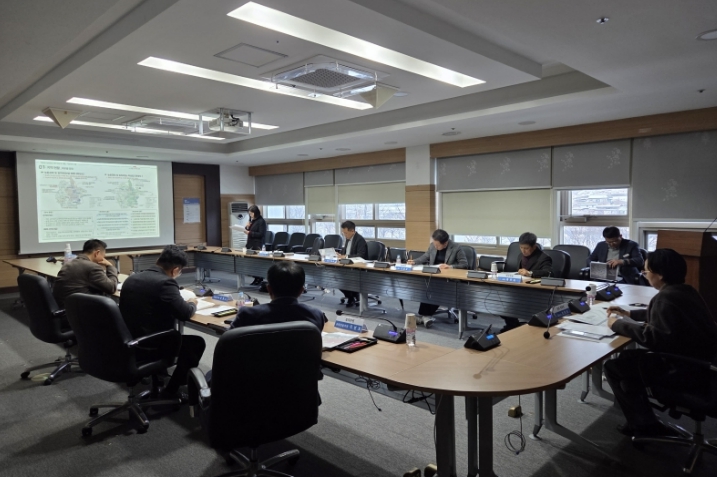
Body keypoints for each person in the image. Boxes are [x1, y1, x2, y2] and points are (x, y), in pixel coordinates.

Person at [604, 248, 717, 437]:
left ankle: (644, 426)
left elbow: (654, 339)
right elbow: (667, 315)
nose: (645, 275)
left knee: (614, 367)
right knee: (626, 357)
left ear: (661, 274)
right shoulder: (686, 291)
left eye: (646, 271)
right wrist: (629, 313)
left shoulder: (664, 298)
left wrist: (617, 324)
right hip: (703, 363)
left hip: (684, 371)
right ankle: (642, 419)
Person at [119, 245, 206, 400]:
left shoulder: (132, 278)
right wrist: (193, 302)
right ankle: (171, 391)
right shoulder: (165, 283)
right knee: (196, 343)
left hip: (128, 341)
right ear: (175, 270)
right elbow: (185, 313)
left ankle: (159, 375)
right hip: (150, 345)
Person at [407, 229, 468, 324]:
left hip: (448, 279)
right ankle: (425, 316)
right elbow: (426, 256)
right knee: (426, 286)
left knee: (434, 288)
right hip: (434, 275)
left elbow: (464, 264)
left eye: (437, 245)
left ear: (445, 243)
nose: (435, 246)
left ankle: (424, 316)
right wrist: (415, 261)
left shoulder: (456, 248)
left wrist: (450, 266)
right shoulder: (433, 245)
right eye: (434, 244)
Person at [52, 239, 119, 308]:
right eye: (103, 257)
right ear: (97, 253)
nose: (103, 259)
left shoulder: (68, 264)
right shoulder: (93, 267)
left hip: (64, 307)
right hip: (78, 310)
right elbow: (111, 288)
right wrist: (110, 266)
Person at [338, 221, 368, 307]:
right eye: (343, 233)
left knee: (342, 279)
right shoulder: (348, 239)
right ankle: (351, 296)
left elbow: (361, 255)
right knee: (335, 278)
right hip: (347, 266)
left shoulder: (360, 240)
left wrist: (346, 256)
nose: (344, 235)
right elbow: (345, 253)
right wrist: (339, 255)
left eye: (346, 233)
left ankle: (353, 296)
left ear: (352, 231)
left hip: (357, 268)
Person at [243, 205, 267, 285]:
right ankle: (256, 278)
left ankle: (259, 278)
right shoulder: (253, 221)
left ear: (255, 212)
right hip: (250, 244)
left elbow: (261, 234)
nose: (250, 215)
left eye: (251, 213)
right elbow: (249, 230)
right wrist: (247, 227)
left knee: (257, 263)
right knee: (252, 263)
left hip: (257, 244)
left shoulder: (261, 221)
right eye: (249, 213)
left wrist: (250, 233)